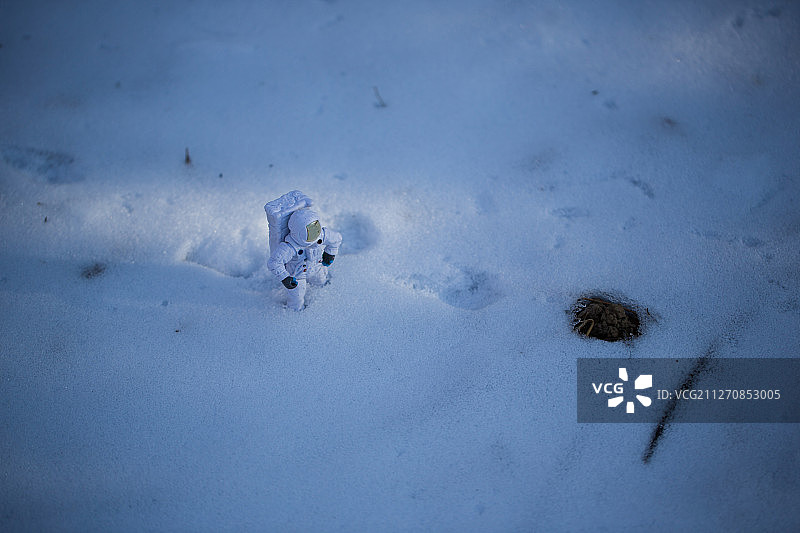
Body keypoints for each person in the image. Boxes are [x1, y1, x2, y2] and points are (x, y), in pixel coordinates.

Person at [267, 207, 342, 310]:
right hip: (297, 275)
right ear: (299, 233)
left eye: (316, 228)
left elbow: (336, 239)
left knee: (321, 282)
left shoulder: (321, 235)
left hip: (317, 267)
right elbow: (274, 262)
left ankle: (324, 295)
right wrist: (285, 277)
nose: (316, 234)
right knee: (296, 298)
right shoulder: (290, 247)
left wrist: (330, 253)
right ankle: (295, 313)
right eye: (310, 232)